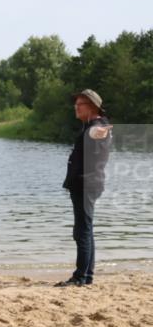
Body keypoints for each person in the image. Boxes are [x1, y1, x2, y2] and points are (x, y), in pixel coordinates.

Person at [56, 89, 112, 287]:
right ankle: (86, 276)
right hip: (85, 184)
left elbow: (98, 136)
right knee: (85, 230)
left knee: (82, 231)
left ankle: (80, 277)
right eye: (76, 104)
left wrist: (99, 133)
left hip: (86, 184)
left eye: (80, 104)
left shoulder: (97, 127)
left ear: (93, 107)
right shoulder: (92, 126)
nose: (76, 108)